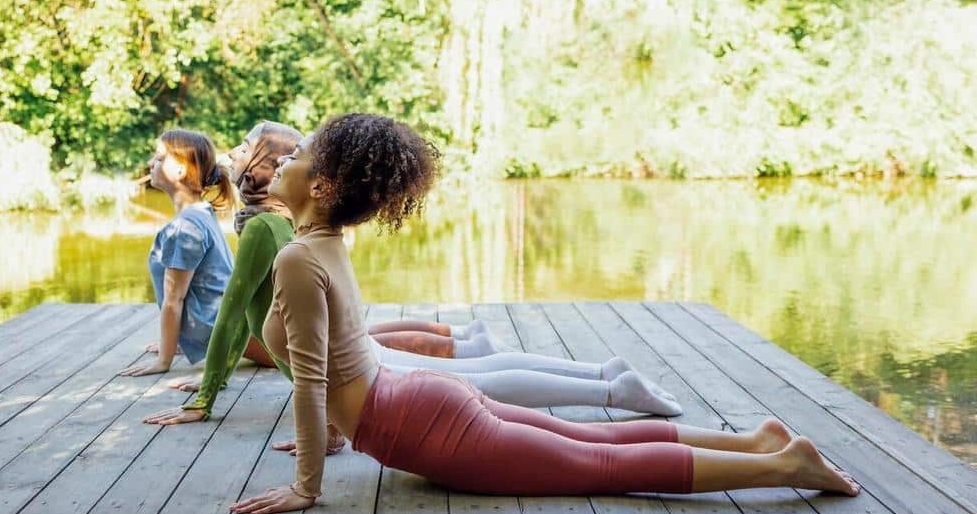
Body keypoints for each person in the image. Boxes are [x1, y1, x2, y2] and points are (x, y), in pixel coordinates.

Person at [228, 113, 861, 514]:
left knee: (603, 464)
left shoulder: (298, 257)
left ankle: (783, 465)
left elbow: (313, 379)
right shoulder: (322, 246)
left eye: (296, 156)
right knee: (596, 443)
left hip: (415, 422)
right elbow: (331, 359)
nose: (281, 159)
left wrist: (306, 485)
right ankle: (754, 443)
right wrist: (333, 435)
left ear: (321, 188)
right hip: (415, 403)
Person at [140, 123, 680, 431]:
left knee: (482, 382)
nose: (230, 155)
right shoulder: (279, 223)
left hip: (355, 375)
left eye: (244, 149)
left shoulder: (264, 228)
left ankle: (612, 388)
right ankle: (606, 377)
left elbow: (233, 317)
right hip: (350, 366)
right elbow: (251, 323)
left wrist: (203, 398)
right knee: (481, 374)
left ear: (263, 167)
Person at [119, 129, 237, 377]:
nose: (151, 163)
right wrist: (174, 342)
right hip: (230, 328)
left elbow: (174, 301)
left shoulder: (185, 227)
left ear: (181, 170)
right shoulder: (201, 213)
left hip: (229, 333)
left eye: (160, 158)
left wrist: (164, 360)